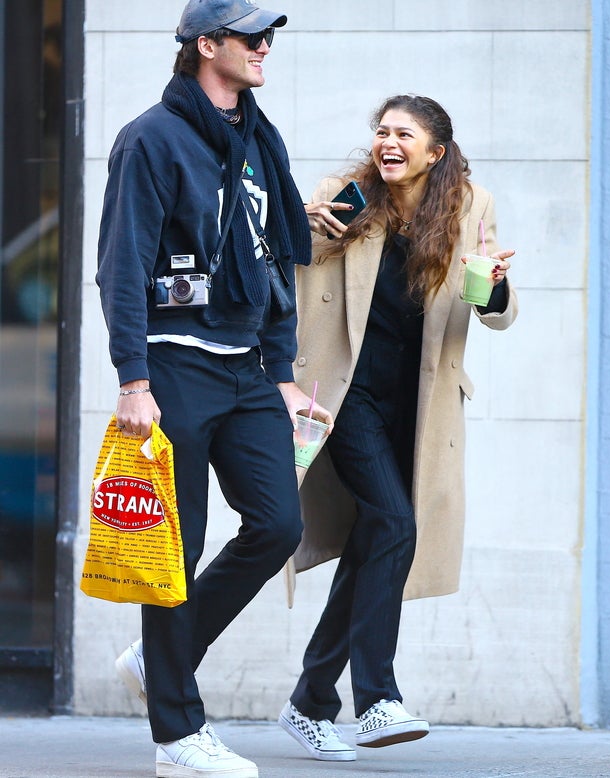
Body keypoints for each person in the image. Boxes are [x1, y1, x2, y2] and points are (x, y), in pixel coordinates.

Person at [96, 1, 331, 776]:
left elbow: (274, 263)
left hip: (246, 369)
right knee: (177, 548)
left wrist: (285, 374)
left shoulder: (260, 140)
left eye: (268, 36)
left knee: (277, 523)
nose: (266, 48)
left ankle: (165, 654)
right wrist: (134, 379)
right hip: (173, 365)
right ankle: (177, 736)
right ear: (207, 46)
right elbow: (121, 266)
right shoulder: (151, 140)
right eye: (251, 36)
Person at [278, 94, 519, 761]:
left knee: (375, 540)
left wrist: (492, 284)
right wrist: (302, 227)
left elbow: (488, 305)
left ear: (435, 151)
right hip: (345, 393)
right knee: (392, 524)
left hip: (419, 400)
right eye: (381, 131)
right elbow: (294, 263)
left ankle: (309, 701)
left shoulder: (471, 208)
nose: (387, 142)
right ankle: (377, 698)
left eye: (402, 134)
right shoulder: (348, 196)